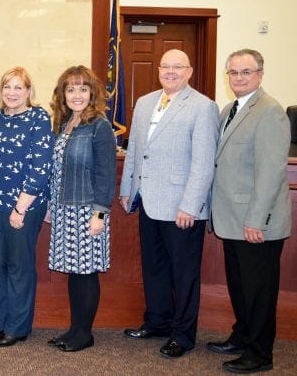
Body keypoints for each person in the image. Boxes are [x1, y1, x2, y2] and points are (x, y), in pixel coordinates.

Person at [119, 49, 219, 358]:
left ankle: (183, 336)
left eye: (178, 66)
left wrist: (190, 205)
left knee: (184, 275)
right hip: (148, 200)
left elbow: (204, 162)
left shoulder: (203, 107)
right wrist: (128, 189)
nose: (170, 71)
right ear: (159, 70)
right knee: (154, 268)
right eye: (165, 66)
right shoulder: (145, 102)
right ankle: (158, 322)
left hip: (182, 208)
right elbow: (135, 150)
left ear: (189, 72)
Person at [207, 49, 291, 374]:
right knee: (241, 286)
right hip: (232, 218)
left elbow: (271, 172)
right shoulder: (230, 109)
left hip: (256, 223)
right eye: (233, 72)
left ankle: (259, 353)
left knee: (259, 291)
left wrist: (256, 220)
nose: (238, 78)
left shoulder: (269, 111)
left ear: (260, 75)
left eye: (246, 72)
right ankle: (242, 336)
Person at [0, 66, 53, 347]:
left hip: (25, 205)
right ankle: (4, 321)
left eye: (18, 87)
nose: (12, 92)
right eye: (7, 86)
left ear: (28, 91)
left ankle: (18, 327)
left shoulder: (39, 118)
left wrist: (20, 208)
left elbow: (41, 167)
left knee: (19, 264)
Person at [47, 66, 117, 352]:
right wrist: (51, 206)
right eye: (71, 89)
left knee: (86, 273)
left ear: (92, 93)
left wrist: (99, 214)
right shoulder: (64, 124)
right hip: (64, 209)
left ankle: (85, 334)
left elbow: (106, 174)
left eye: (83, 89)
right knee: (74, 272)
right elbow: (57, 171)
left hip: (88, 211)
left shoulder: (99, 126)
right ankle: (74, 329)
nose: (77, 95)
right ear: (63, 94)